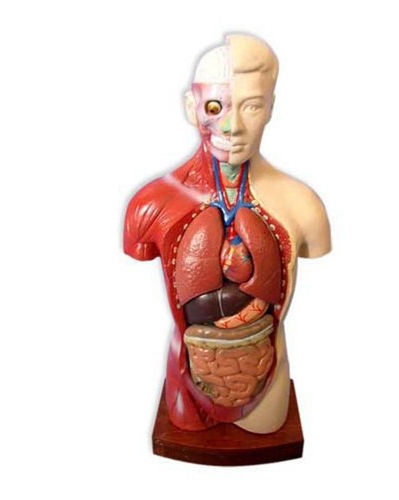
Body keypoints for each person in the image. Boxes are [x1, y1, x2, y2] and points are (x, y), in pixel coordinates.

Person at [124, 34, 331, 433]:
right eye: (215, 108)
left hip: (265, 371)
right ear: (191, 108)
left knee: (266, 425)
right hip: (188, 367)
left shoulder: (304, 206)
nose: (232, 127)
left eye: (251, 106)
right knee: (185, 424)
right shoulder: (150, 205)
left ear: (271, 108)